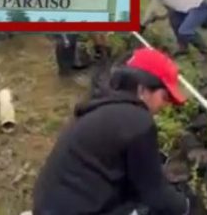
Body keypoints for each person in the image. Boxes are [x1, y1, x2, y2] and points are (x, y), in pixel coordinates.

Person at [33, 48, 190, 215]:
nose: (165, 106)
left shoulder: (105, 105)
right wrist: (186, 206)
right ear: (142, 89)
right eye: (164, 98)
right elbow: (155, 193)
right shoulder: (138, 121)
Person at [140, 0, 207, 59]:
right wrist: (156, 18)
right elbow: (168, 11)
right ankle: (183, 49)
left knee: (185, 31)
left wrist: (141, 25)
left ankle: (206, 52)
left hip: (200, 3)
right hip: (187, 4)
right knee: (174, 20)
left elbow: (151, 10)